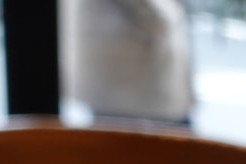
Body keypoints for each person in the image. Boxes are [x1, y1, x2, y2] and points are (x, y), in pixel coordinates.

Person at [60, 0, 194, 124]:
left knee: (112, 128)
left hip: (114, 61)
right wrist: (165, 19)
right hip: (129, 62)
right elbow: (156, 16)